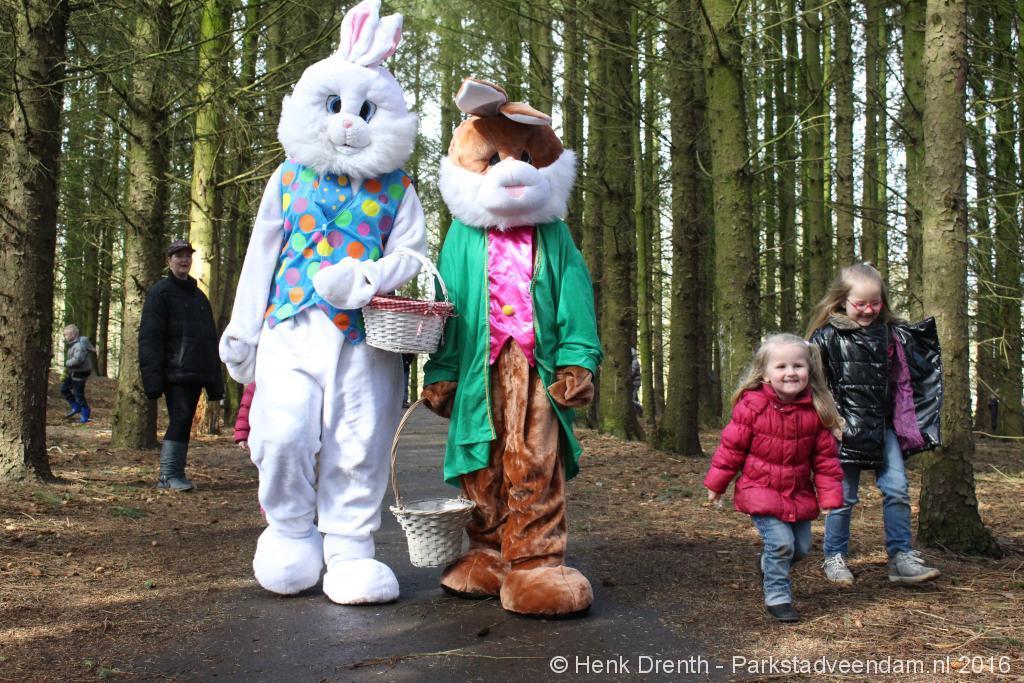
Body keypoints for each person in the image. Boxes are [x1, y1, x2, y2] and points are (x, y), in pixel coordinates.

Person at [807, 262, 943, 586]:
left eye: (875, 303)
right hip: (843, 429)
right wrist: (828, 422)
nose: (868, 310)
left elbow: (906, 380)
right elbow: (814, 384)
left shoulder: (894, 335)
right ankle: (834, 556)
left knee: (897, 489)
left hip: (884, 428)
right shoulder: (825, 337)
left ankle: (901, 557)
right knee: (843, 497)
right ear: (842, 301)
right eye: (860, 303)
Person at [704, 334, 844, 623]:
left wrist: (830, 497)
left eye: (798, 366)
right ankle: (778, 596)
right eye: (781, 366)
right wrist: (717, 484)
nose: (791, 372)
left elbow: (826, 461)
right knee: (781, 544)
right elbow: (731, 449)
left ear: (809, 370)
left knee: (800, 548)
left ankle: (768, 564)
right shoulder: (752, 406)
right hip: (761, 490)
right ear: (765, 374)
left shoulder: (816, 410)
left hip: (798, 493)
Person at [139, 239, 224, 492]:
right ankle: (168, 475)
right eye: (179, 256)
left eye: (187, 255)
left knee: (185, 421)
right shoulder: (160, 292)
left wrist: (215, 383)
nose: (184, 260)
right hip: (173, 372)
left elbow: (209, 340)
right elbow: (150, 337)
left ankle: (175, 474)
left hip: (196, 372)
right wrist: (153, 379)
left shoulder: (200, 297)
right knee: (180, 418)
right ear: (169, 261)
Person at [60, 324, 95, 423]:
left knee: (78, 394)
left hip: (80, 373)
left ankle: (85, 415)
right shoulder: (75, 343)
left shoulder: (79, 345)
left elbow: (78, 360)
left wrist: (67, 363)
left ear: (72, 334)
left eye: (66, 334)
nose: (65, 336)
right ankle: (75, 407)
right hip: (74, 372)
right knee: (64, 389)